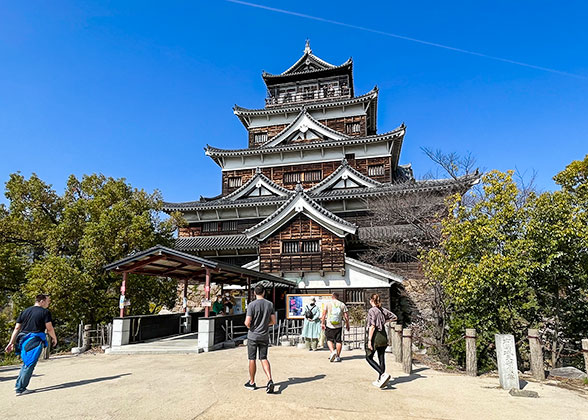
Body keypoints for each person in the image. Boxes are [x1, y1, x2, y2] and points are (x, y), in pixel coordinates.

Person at [4, 294, 58, 396]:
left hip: (23, 340)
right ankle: (20, 389)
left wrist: (11, 342)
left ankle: (19, 385)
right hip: (34, 340)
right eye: (48, 301)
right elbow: (49, 328)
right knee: (29, 364)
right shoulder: (45, 312)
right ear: (41, 301)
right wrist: (54, 338)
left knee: (26, 363)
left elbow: (17, 328)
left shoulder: (25, 311)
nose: (48, 303)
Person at [244, 284, 276, 393]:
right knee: (263, 358)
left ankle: (252, 382)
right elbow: (273, 321)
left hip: (253, 335)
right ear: (264, 292)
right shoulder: (269, 304)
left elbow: (247, 322)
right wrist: (266, 325)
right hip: (264, 335)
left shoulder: (251, 305)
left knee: (252, 359)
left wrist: (250, 327)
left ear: (254, 293)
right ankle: (270, 379)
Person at [365, 293, 397, 388]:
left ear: (371, 301)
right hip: (383, 334)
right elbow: (394, 317)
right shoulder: (382, 310)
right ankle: (380, 379)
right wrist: (384, 322)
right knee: (381, 357)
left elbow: (372, 326)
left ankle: (382, 374)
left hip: (376, 336)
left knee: (368, 357)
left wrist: (369, 340)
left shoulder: (372, 311)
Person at [321, 292, 349, 362]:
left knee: (329, 339)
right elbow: (346, 316)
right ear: (338, 297)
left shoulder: (328, 304)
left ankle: (332, 351)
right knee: (338, 340)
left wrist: (322, 323)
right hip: (338, 325)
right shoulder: (342, 304)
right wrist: (347, 324)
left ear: (332, 296)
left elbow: (324, 315)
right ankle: (338, 356)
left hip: (329, 325)